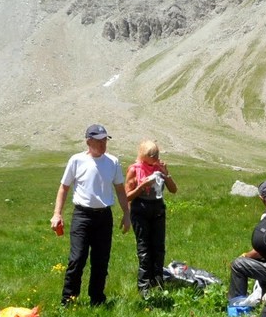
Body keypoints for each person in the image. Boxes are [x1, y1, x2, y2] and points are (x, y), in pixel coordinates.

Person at [51, 124, 131, 306]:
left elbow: (120, 189)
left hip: (104, 216)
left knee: (101, 260)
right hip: (82, 215)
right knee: (77, 258)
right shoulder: (76, 160)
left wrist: (127, 213)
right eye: (99, 140)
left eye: (105, 140)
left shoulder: (113, 162)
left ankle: (97, 299)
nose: (103, 144)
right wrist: (57, 214)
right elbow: (64, 187)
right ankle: (69, 300)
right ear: (88, 141)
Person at [124, 139, 178, 294]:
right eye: (151, 155)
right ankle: (144, 286)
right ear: (143, 155)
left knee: (158, 248)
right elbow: (127, 196)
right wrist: (142, 186)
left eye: (156, 154)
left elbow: (173, 190)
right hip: (140, 209)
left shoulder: (159, 168)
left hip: (158, 209)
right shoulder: (134, 169)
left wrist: (166, 174)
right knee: (144, 249)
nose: (155, 157)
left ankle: (158, 281)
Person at [228, 180, 266, 301]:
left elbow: (263, 249)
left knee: (238, 264)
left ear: (262, 198)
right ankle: (259, 296)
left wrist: (245, 256)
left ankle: (237, 306)